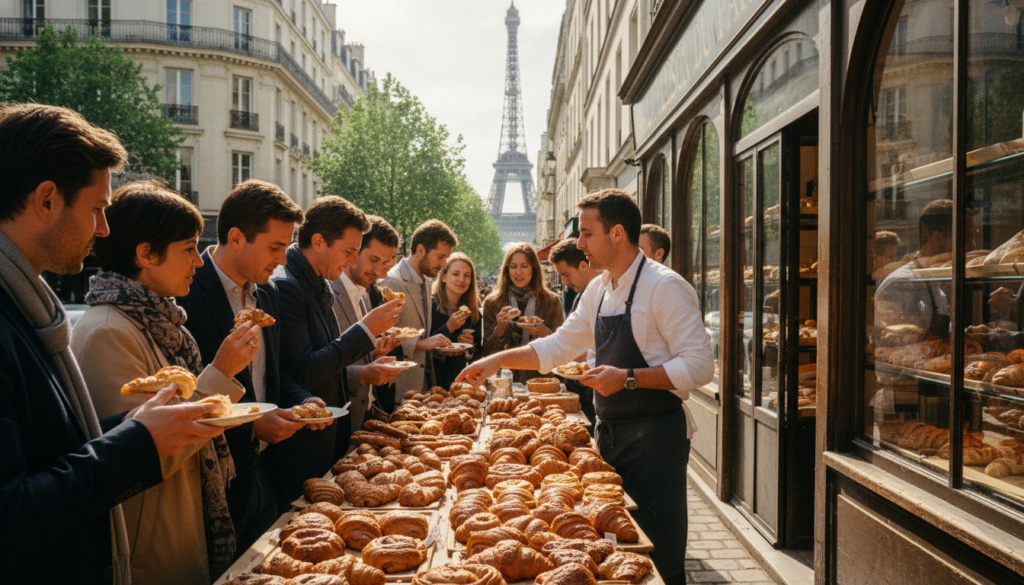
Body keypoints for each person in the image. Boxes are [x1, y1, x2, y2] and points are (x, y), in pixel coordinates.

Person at [0, 103, 229, 585]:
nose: (104, 230)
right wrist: (138, 440)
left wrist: (132, 426)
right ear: (46, 200)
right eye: (98, 209)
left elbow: (55, 448)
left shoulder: (25, 305)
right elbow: (11, 514)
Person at [458, 189, 714, 585]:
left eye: (586, 233)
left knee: (659, 559)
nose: (579, 243)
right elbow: (561, 346)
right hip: (609, 436)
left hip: (655, 442)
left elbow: (700, 366)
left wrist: (627, 377)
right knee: (618, 552)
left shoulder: (665, 287)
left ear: (616, 234)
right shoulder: (599, 289)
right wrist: (496, 360)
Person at [71, 182, 253, 584]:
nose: (199, 261)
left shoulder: (159, 320)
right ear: (146, 254)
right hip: (151, 548)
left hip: (180, 525)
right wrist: (222, 371)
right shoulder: (107, 331)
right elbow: (145, 451)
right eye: (189, 248)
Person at [177, 179, 325, 554]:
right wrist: (251, 422)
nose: (281, 260)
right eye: (275, 247)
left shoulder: (269, 293)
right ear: (236, 237)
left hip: (268, 471)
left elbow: (272, 377)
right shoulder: (185, 292)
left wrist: (305, 400)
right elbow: (180, 394)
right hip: (214, 481)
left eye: (285, 248)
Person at [272, 196, 402, 497]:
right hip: (303, 447)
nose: (352, 262)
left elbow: (331, 360)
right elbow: (304, 370)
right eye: (349, 252)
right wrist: (365, 330)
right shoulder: (289, 285)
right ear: (318, 242)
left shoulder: (315, 281)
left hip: (331, 437)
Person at [331, 215, 402, 430]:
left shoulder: (363, 293)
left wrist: (374, 356)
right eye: (373, 260)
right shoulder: (328, 294)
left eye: (385, 263)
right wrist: (363, 373)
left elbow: (351, 352)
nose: (380, 271)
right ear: (354, 252)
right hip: (336, 419)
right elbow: (318, 367)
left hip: (365, 413)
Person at [380, 219, 457, 395]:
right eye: (440, 257)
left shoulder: (427, 282)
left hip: (424, 383)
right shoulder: (391, 281)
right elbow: (380, 334)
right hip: (400, 386)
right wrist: (421, 343)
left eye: (446, 258)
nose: (444, 264)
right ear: (421, 250)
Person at [482, 243, 565, 384]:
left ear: (534, 269)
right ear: (507, 270)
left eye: (524, 266)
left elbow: (562, 347)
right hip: (503, 381)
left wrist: (543, 331)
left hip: (541, 382)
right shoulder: (493, 302)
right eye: (513, 266)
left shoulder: (551, 301)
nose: (518, 272)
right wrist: (500, 329)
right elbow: (486, 352)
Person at [549, 237, 602, 427]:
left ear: (583, 265)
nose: (564, 282)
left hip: (594, 393)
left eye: (566, 274)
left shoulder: (603, 294)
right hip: (583, 390)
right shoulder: (582, 295)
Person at [430, 252, 484, 390]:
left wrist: (469, 349)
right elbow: (423, 346)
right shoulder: (431, 307)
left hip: (458, 385)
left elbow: (477, 356)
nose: (462, 279)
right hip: (431, 383)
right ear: (443, 277)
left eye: (467, 275)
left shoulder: (473, 312)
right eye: (456, 274)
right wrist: (449, 327)